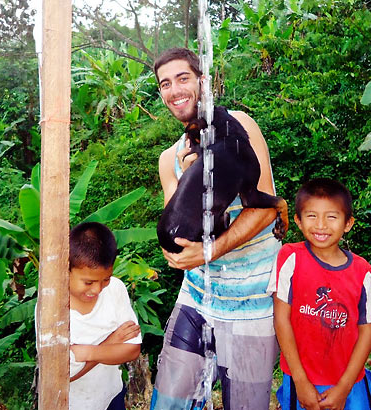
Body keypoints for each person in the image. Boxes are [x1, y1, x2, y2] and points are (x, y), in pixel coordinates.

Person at [151, 47, 282, 409]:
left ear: (201, 81)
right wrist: (177, 254)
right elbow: (175, 227)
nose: (175, 90)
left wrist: (210, 250)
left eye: (182, 78)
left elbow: (265, 207)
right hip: (197, 298)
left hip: (251, 302)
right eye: (165, 84)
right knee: (168, 402)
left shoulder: (240, 125)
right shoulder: (168, 160)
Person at [268, 178, 371, 410]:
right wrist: (300, 381)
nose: (321, 225)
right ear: (298, 221)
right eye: (311, 216)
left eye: (331, 217)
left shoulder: (362, 271)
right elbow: (281, 319)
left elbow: (367, 331)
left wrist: (344, 386)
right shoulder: (290, 258)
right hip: (301, 379)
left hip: (350, 382)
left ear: (348, 223)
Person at [68, 221, 142, 410]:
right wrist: (111, 342)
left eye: (105, 279)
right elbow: (65, 375)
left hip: (112, 396)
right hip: (73, 404)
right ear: (65, 271)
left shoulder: (115, 289)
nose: (98, 289)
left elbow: (132, 350)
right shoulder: (52, 310)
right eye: (88, 282)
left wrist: (88, 352)